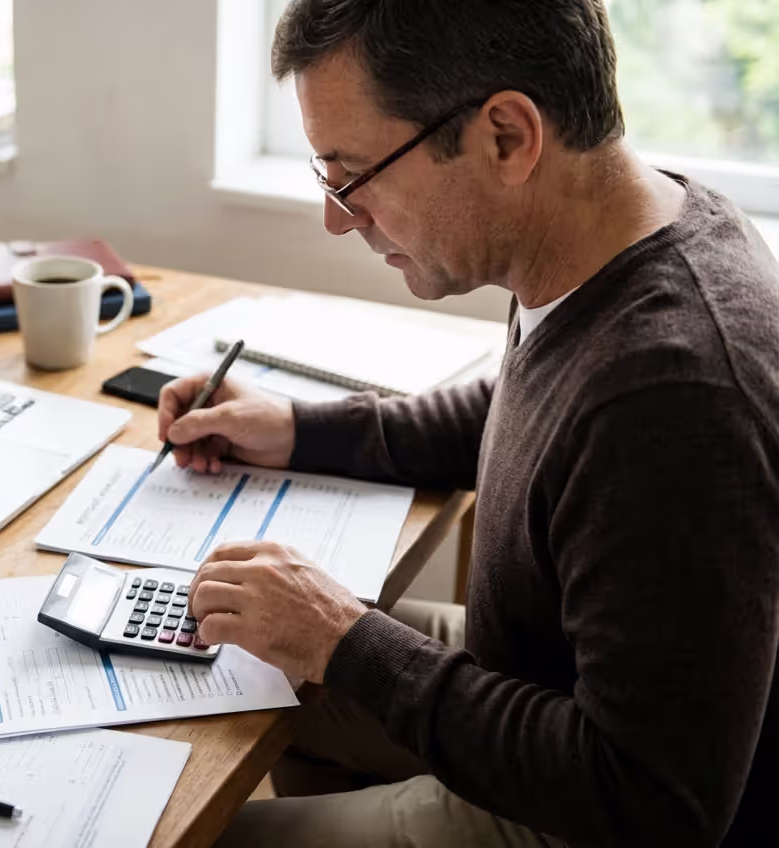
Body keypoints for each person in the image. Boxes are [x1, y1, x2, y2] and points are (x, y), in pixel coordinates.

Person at [162, 1, 779, 845]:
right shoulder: (618, 229)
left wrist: (347, 641)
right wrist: (298, 429)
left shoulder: (677, 393)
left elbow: (651, 801)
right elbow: (527, 413)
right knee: (225, 663)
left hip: (585, 795)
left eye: (353, 174)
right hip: (532, 672)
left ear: (506, 138)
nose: (340, 217)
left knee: (188, 831)